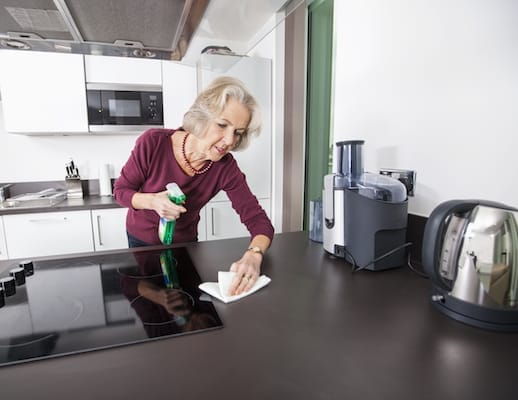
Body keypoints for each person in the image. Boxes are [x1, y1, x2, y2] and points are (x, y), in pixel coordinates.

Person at [114, 76, 274, 296]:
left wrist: (253, 255)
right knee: (149, 304)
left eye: (237, 132)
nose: (229, 140)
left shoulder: (225, 168)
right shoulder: (153, 142)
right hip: (142, 243)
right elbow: (121, 192)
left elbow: (259, 221)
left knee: (187, 309)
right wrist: (152, 201)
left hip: (185, 247)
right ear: (201, 118)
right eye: (222, 125)